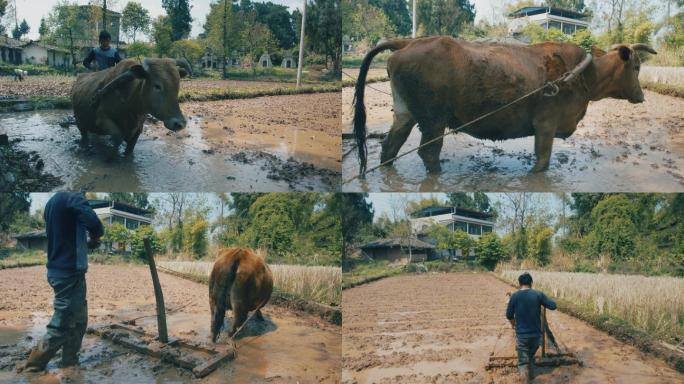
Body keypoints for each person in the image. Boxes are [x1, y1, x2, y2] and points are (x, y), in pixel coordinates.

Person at [19, 192, 104, 372]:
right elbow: (94, 224)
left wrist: (86, 243)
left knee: (79, 320)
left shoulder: (52, 203)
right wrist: (96, 236)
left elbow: (65, 234)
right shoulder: (73, 197)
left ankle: (70, 362)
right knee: (62, 324)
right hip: (68, 273)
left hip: (65, 271)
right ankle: (33, 367)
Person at [505, 272, 557, 383]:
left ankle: (526, 380)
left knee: (523, 362)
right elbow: (553, 306)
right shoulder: (538, 294)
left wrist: (513, 324)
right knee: (530, 356)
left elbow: (509, 315)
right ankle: (532, 378)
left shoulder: (514, 296)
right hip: (536, 336)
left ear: (519, 284)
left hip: (522, 335)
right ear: (531, 283)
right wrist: (545, 298)